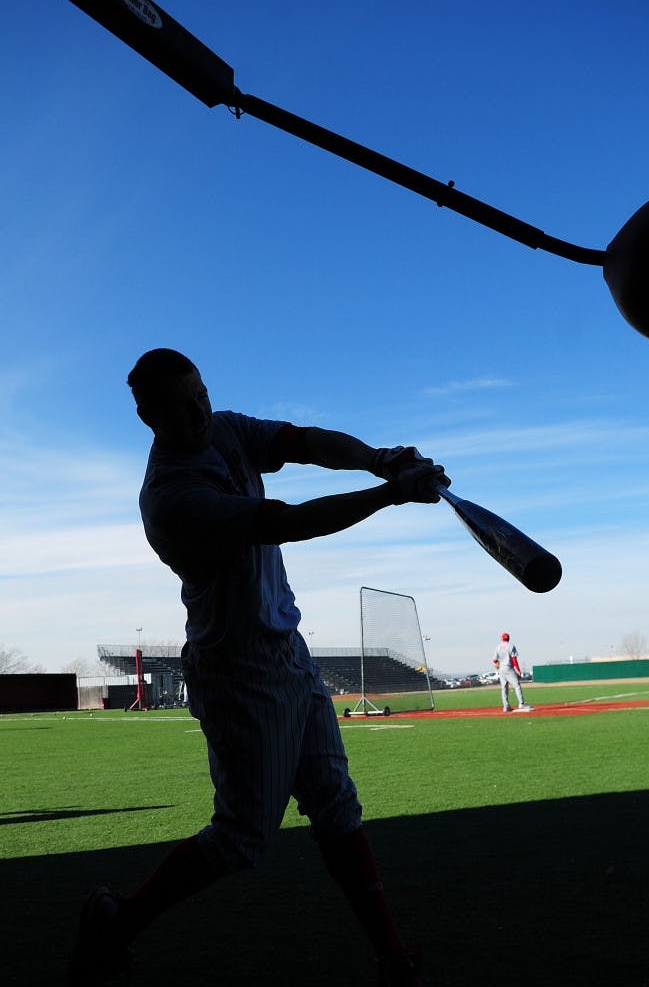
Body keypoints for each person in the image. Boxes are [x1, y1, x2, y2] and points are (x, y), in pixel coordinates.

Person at [68, 348, 451, 987]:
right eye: (177, 407)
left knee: (337, 806)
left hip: (289, 655)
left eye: (200, 395)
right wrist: (389, 494)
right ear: (146, 417)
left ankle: (392, 957)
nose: (197, 413)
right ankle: (116, 921)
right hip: (237, 671)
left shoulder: (225, 429)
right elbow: (288, 522)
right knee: (242, 838)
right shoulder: (170, 497)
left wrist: (378, 457)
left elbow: (302, 442)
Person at [493, 632, 532, 713]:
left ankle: (506, 706)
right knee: (517, 685)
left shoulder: (498, 647)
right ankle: (521, 703)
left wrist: (497, 666)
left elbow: (495, 660)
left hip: (501, 668)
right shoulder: (511, 646)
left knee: (504, 688)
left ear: (502, 638)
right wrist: (518, 670)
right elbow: (514, 660)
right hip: (508, 667)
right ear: (508, 638)